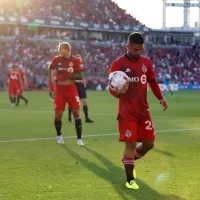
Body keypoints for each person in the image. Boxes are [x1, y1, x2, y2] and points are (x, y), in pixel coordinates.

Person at [109, 32, 168, 190]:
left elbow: (152, 81)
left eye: (141, 49)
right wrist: (118, 92)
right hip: (127, 112)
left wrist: (160, 98)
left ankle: (129, 161)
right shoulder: (118, 64)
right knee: (130, 145)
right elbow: (112, 88)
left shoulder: (146, 62)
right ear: (128, 47)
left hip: (143, 111)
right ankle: (130, 180)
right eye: (135, 49)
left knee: (149, 143)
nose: (138, 52)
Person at [48, 42, 84, 146]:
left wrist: (69, 76)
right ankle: (59, 136)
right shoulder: (56, 59)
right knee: (58, 115)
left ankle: (79, 138)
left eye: (61, 49)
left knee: (76, 113)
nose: (59, 51)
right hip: (60, 90)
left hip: (71, 89)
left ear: (67, 49)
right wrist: (52, 80)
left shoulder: (75, 61)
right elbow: (50, 68)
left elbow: (80, 75)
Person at [68, 54, 94, 123]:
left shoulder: (82, 68)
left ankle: (87, 118)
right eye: (77, 58)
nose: (79, 59)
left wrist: (85, 86)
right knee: (72, 102)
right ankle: (69, 117)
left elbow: (83, 77)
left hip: (81, 85)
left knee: (85, 102)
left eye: (79, 58)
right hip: (74, 85)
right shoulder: (72, 67)